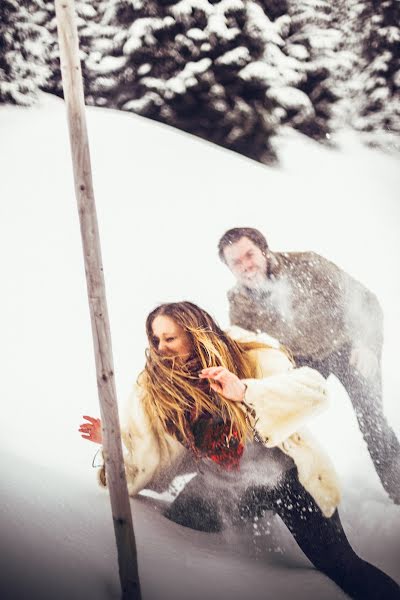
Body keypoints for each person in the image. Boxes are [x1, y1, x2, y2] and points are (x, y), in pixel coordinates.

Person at [79, 301, 399, 600]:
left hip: (285, 481)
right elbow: (149, 455)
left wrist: (245, 390)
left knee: (341, 565)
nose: (161, 347)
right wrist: (111, 445)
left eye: (170, 338)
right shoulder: (156, 389)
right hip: (220, 486)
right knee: (170, 525)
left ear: (194, 334)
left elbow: (315, 392)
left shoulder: (248, 356)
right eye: (155, 339)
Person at [218, 227, 400, 504]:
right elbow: (247, 349)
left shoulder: (307, 265)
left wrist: (367, 345)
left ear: (264, 251)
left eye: (249, 255)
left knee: (372, 421)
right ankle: (279, 494)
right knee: (278, 424)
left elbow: (365, 301)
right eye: (236, 262)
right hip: (301, 361)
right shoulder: (239, 302)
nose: (246, 266)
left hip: (347, 346)